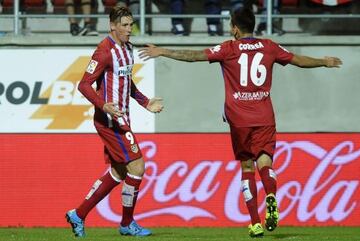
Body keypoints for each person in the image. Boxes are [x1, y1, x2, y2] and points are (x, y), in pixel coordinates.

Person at [138, 7, 342, 237]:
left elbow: (194, 56)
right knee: (265, 162)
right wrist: (324, 61)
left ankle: (255, 222)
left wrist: (162, 51)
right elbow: (299, 60)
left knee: (247, 168)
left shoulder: (228, 48)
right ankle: (271, 195)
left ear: (234, 28)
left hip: (239, 119)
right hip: (264, 116)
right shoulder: (269, 46)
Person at [65, 6, 163, 238]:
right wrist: (103, 105)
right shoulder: (104, 51)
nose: (130, 30)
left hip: (121, 118)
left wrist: (145, 102)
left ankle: (78, 214)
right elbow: (84, 84)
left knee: (119, 172)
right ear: (113, 26)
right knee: (138, 166)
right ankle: (127, 223)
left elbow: (127, 83)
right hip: (109, 121)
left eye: (131, 25)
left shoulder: (127, 49)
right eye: (125, 25)